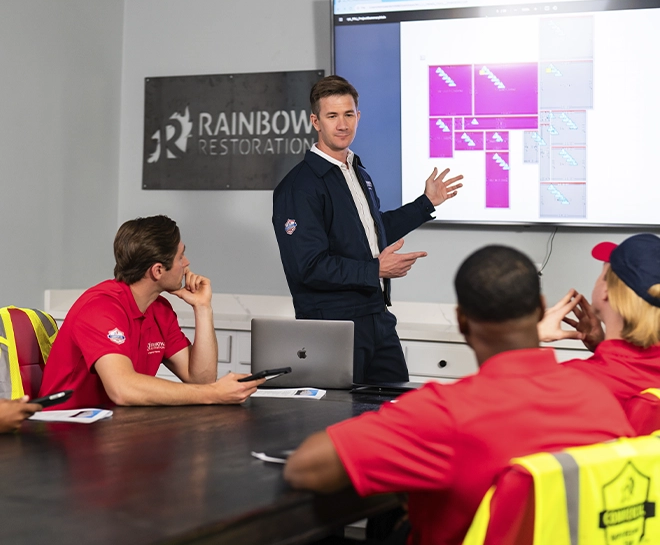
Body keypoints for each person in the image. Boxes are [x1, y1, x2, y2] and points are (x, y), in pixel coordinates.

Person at [283, 245, 633, 545]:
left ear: (462, 321)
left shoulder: (442, 414)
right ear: (541, 309)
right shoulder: (601, 399)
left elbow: (305, 469)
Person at [272, 75, 463, 384]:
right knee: (338, 418)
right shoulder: (299, 187)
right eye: (332, 116)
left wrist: (425, 203)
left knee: (395, 408)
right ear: (315, 121)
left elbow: (373, 232)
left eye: (348, 114)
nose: (342, 124)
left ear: (358, 117)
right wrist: (374, 269)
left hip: (376, 316)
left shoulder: (357, 171)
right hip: (332, 324)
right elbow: (308, 266)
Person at [39, 215, 264, 409]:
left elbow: (201, 380)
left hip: (115, 429)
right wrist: (215, 394)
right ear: (157, 270)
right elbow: (122, 389)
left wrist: (203, 308)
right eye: (180, 257)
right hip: (64, 434)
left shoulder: (160, 309)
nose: (187, 263)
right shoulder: (100, 308)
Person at [539, 233, 660, 406]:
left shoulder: (569, 381)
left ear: (607, 292)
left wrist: (530, 337)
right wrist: (601, 348)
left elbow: (498, 401)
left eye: (602, 272)